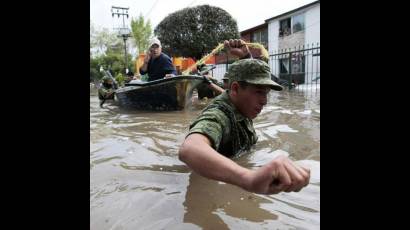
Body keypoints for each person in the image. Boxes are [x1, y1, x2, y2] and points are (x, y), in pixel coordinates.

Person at [178, 39, 310, 195]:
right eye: (259, 92)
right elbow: (189, 149)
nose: (265, 101)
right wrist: (249, 178)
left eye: (266, 93)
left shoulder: (241, 104)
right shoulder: (219, 115)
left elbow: (242, 88)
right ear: (235, 88)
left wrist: (246, 56)